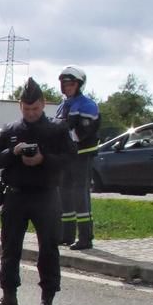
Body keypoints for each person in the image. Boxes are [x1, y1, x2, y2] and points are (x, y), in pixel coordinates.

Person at [0, 77, 75, 305]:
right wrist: (13, 152)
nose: (31, 113)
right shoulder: (11, 130)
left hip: (46, 196)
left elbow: (70, 159)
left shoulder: (57, 129)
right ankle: (8, 295)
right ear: (20, 106)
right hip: (15, 196)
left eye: (35, 108)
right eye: (26, 109)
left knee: (48, 248)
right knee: (10, 247)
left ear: (43, 104)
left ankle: (47, 298)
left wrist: (43, 158)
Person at [54, 66, 100, 249]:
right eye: (64, 84)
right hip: (65, 157)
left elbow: (86, 131)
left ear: (79, 85)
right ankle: (66, 235)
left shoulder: (87, 105)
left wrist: (69, 130)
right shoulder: (62, 106)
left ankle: (85, 237)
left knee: (80, 195)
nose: (67, 87)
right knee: (63, 193)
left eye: (71, 84)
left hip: (82, 156)